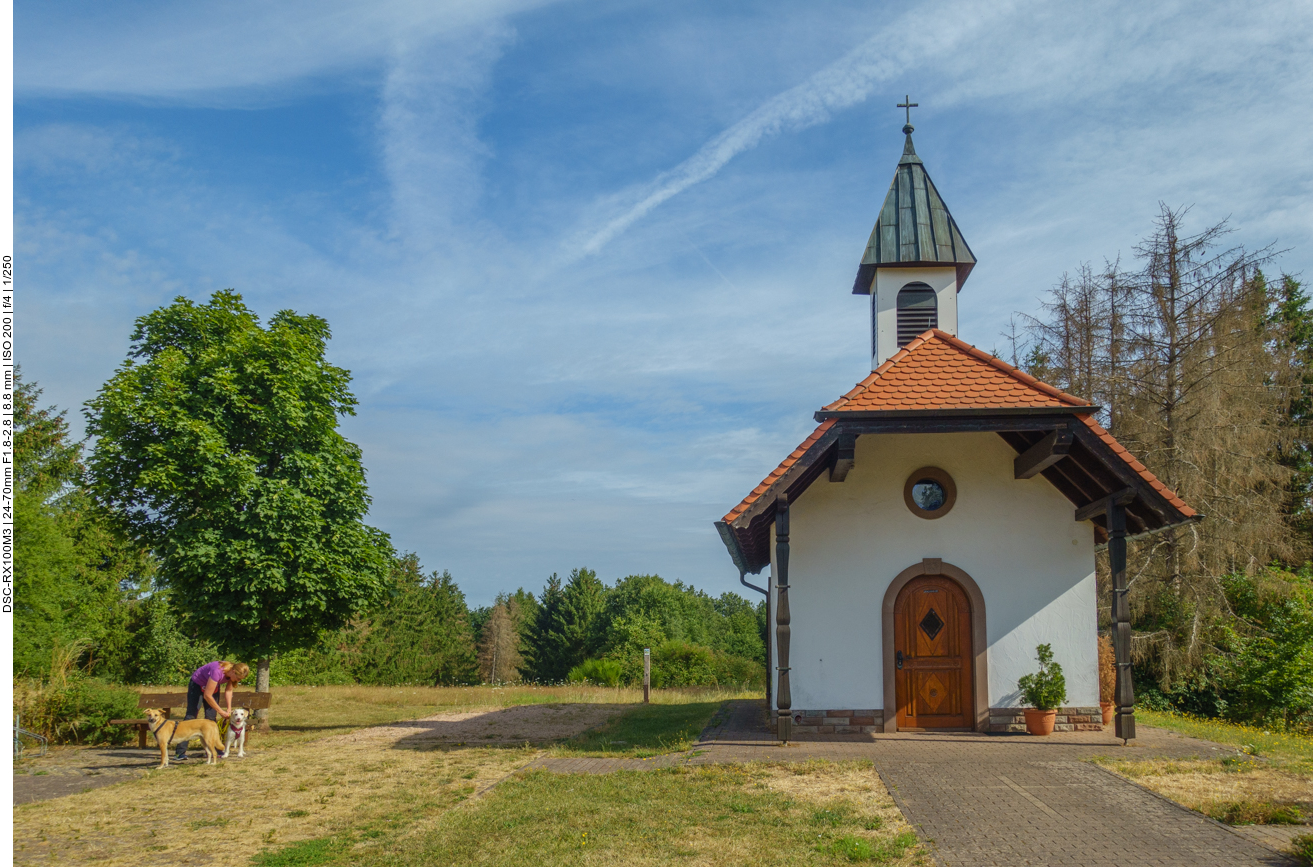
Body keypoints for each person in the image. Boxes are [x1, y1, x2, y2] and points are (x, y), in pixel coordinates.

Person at [174, 660, 249, 761]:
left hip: (212, 686)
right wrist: (221, 711)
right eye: (238, 678)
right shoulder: (217, 671)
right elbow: (207, 695)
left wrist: (229, 709)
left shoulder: (232, 674)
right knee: (191, 717)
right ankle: (180, 753)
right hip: (197, 685)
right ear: (233, 672)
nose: (238, 681)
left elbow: (228, 691)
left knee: (211, 718)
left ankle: (212, 750)